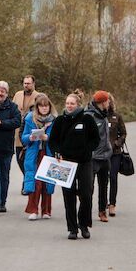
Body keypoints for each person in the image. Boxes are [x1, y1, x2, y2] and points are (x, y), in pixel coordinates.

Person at [49, 93, 99, 240]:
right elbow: (53, 141)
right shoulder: (60, 120)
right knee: (68, 195)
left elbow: (95, 139)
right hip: (66, 163)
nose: (69, 106)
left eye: (72, 103)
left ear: (78, 104)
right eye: (67, 103)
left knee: (86, 194)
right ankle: (72, 228)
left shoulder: (87, 119)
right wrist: (57, 152)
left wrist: (87, 149)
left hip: (84, 162)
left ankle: (83, 225)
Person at [0, 81, 21, 216]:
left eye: (3, 91)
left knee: (4, 176)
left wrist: (2, 123)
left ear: (7, 94)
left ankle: (2, 202)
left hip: (6, 148)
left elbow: (17, 122)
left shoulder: (13, 107)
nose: (0, 93)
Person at [22, 93, 57, 220]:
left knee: (47, 182)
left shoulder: (54, 120)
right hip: (34, 154)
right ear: (37, 107)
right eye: (41, 106)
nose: (44, 108)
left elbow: (58, 139)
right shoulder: (30, 118)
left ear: (49, 106)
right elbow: (23, 137)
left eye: (46, 106)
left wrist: (47, 138)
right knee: (34, 182)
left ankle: (46, 210)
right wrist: (30, 138)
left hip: (48, 153)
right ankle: (33, 210)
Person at [85, 90, 113, 223]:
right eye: (107, 100)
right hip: (93, 157)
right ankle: (86, 212)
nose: (109, 103)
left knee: (104, 185)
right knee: (89, 187)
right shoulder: (89, 116)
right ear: (102, 102)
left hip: (106, 156)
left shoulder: (104, 114)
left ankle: (102, 211)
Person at [12, 75, 40, 191]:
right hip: (18, 131)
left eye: (28, 83)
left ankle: (28, 183)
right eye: (24, 83)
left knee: (29, 159)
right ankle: (27, 178)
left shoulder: (38, 96)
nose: (26, 85)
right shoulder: (18, 95)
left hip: (31, 130)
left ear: (33, 84)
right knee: (20, 159)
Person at [106, 93, 127, 217]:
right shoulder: (97, 117)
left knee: (113, 177)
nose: (106, 103)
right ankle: (103, 203)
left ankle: (112, 204)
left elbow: (123, 133)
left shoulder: (117, 116)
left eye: (108, 101)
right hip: (101, 153)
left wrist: (117, 143)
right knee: (103, 179)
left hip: (115, 153)